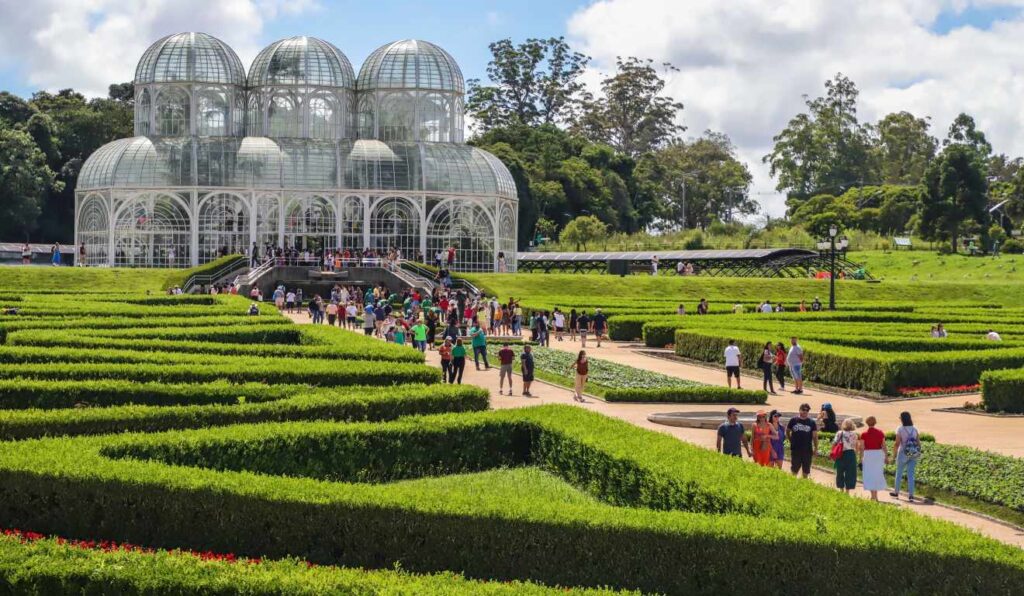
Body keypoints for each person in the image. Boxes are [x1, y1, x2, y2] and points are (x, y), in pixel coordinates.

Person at [891, 411, 922, 502]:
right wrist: (918, 452)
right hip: (913, 453)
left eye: (900, 417)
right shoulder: (915, 428)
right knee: (911, 475)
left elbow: (897, 444)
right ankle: (911, 495)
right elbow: (918, 442)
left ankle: (896, 492)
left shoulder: (900, 429)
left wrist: (894, 455)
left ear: (902, 419)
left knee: (899, 473)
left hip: (903, 453)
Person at [858, 416, 888, 501]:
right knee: (877, 474)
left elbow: (862, 448)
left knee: (869, 474)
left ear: (867, 423)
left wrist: (860, 459)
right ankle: (876, 496)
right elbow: (884, 446)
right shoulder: (880, 433)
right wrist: (886, 456)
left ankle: (872, 496)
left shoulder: (864, 434)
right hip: (878, 454)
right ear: (875, 422)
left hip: (868, 455)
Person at [786, 403, 818, 478]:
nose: (805, 411)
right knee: (794, 470)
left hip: (807, 450)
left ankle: (803, 486)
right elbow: (787, 431)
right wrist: (791, 441)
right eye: (803, 409)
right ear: (799, 410)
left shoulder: (812, 422)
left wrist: (816, 448)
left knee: (806, 472)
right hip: (796, 450)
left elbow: (815, 436)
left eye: (807, 410)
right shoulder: (793, 420)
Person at [832, 418, 858, 494]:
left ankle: (841, 489)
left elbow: (834, 443)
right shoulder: (854, 434)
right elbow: (856, 446)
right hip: (851, 454)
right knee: (850, 472)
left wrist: (833, 452)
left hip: (841, 453)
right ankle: (847, 491)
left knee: (840, 471)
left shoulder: (839, 433)